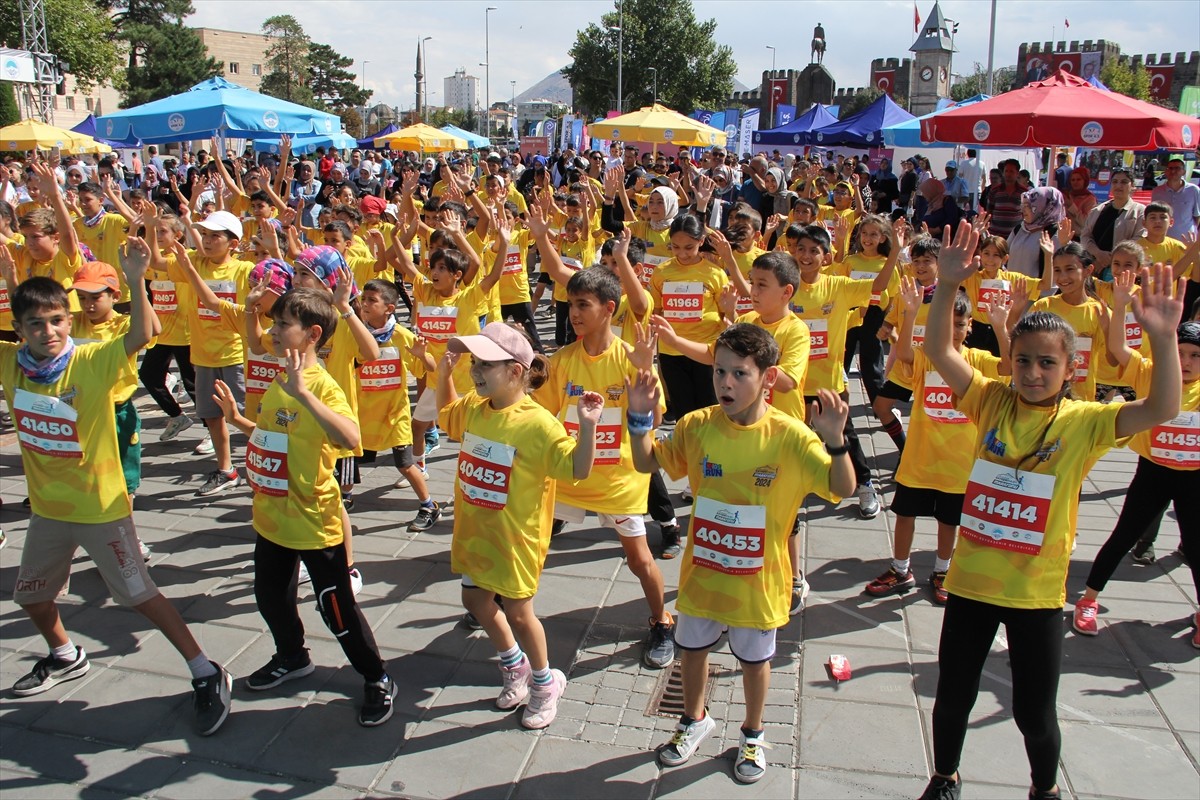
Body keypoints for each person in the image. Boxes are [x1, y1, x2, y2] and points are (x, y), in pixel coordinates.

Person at [916, 220, 1184, 800]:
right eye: (1023, 361)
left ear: (1070, 370)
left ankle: (1045, 790)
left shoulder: (1086, 422)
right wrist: (948, 285)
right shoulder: (990, 400)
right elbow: (938, 349)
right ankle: (944, 778)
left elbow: (1162, 407)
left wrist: (1162, 341)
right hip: (970, 584)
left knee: (1034, 714)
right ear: (1009, 361)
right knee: (952, 698)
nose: (1032, 374)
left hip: (1035, 594)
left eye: (1046, 364)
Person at [1, 240, 231, 735]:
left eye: (57, 321)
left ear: (68, 321)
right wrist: (9, 275)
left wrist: (134, 278)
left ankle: (206, 670)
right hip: (48, 511)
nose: (48, 332)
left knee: (139, 596)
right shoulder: (10, 364)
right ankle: (65, 655)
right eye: (36, 324)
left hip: (101, 507)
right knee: (32, 597)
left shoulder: (90, 360)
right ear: (18, 329)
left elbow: (143, 332)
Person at [628, 324, 855, 784]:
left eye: (739, 373)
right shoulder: (696, 425)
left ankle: (752, 734)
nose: (725, 383)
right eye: (719, 371)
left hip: (760, 581)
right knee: (693, 651)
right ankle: (693, 720)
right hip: (704, 573)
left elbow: (842, 487)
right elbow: (646, 461)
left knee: (754, 661)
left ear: (768, 378)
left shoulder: (791, 436)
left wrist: (835, 441)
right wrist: (638, 418)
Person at [211, 288, 398, 727]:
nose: (273, 332)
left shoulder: (321, 386)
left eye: (282, 324)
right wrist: (239, 421)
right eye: (274, 323)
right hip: (272, 518)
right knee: (270, 598)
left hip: (314, 522)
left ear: (312, 334)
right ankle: (292, 656)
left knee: (336, 610)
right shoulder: (281, 380)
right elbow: (274, 436)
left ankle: (377, 677)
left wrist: (305, 395)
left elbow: (351, 439)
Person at [436, 323, 604, 729]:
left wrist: (587, 426)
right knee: (475, 601)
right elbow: (446, 418)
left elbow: (578, 469)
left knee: (519, 613)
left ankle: (546, 683)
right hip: (477, 534)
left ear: (515, 372)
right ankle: (515, 665)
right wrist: (443, 375)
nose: (475, 371)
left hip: (515, 539)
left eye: (485, 364)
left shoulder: (538, 423)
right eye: (474, 362)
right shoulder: (475, 408)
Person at [865, 275, 1009, 604]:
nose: (953, 330)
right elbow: (903, 353)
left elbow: (1008, 366)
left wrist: (1001, 327)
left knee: (949, 521)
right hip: (920, 459)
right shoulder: (926, 357)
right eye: (945, 324)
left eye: (959, 324)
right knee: (905, 515)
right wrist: (910, 312)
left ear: (970, 326)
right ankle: (900, 569)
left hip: (959, 465)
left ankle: (943, 571)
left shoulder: (977, 360)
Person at [1072, 281, 1199, 645]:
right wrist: (1121, 305)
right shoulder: (1149, 371)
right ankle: (1088, 600)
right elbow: (1117, 348)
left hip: (1193, 479)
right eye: (1180, 353)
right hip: (1153, 473)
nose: (1186, 362)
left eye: (1195, 356)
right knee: (1123, 536)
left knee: (1195, 547)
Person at [1080, 168, 1145, 276]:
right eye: (1115, 182)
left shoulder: (1140, 211)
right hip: (1094, 266)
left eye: (1124, 182)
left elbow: (1140, 239)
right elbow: (1085, 236)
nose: (1118, 185)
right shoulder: (1098, 210)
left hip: (1122, 271)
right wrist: (1099, 254)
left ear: (1133, 186)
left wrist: (1112, 259)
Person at [1007, 187, 1064, 278]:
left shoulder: (1056, 233)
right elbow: (1002, 253)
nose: (1023, 210)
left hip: (1040, 287)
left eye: (1028, 206)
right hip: (1012, 286)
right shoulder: (1019, 229)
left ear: (1045, 207)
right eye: (1023, 205)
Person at [1150, 157, 1200, 239]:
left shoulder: (1193, 190)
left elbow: (1197, 216)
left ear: (1183, 172)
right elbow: (1153, 215)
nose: (1173, 171)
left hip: (1186, 239)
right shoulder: (1157, 191)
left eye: (1177, 168)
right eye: (1170, 168)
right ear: (1166, 171)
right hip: (1163, 239)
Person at [986, 159, 1024, 238]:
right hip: (996, 236)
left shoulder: (1024, 192)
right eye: (1006, 171)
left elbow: (1026, 215)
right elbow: (989, 211)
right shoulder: (994, 190)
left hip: (1015, 237)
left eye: (1011, 171)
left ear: (1017, 173)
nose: (1008, 174)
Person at [1064, 167, 1096, 237]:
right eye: (1073, 180)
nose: (1075, 182)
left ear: (1085, 181)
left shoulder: (1090, 199)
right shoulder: (1068, 195)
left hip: (1078, 237)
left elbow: (1085, 222)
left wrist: (1072, 206)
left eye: (1079, 179)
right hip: (1064, 236)